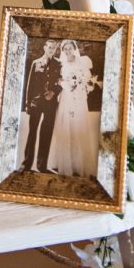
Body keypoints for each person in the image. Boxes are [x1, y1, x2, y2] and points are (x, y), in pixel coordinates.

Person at [47, 39, 99, 177]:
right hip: (66, 97)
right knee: (66, 124)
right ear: (62, 51)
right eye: (65, 49)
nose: (67, 51)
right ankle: (65, 162)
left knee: (78, 124)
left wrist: (81, 84)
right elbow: (58, 80)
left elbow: (88, 79)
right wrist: (65, 84)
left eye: (70, 48)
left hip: (79, 97)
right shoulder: (61, 63)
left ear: (74, 48)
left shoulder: (83, 61)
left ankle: (78, 163)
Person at [20, 39, 62, 173]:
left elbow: (61, 83)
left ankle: (42, 165)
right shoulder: (36, 62)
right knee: (32, 133)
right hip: (36, 103)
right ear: (44, 48)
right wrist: (27, 104)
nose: (51, 50)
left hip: (50, 103)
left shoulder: (59, 64)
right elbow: (30, 84)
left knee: (46, 133)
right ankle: (26, 164)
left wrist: (53, 92)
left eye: (54, 48)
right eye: (49, 47)